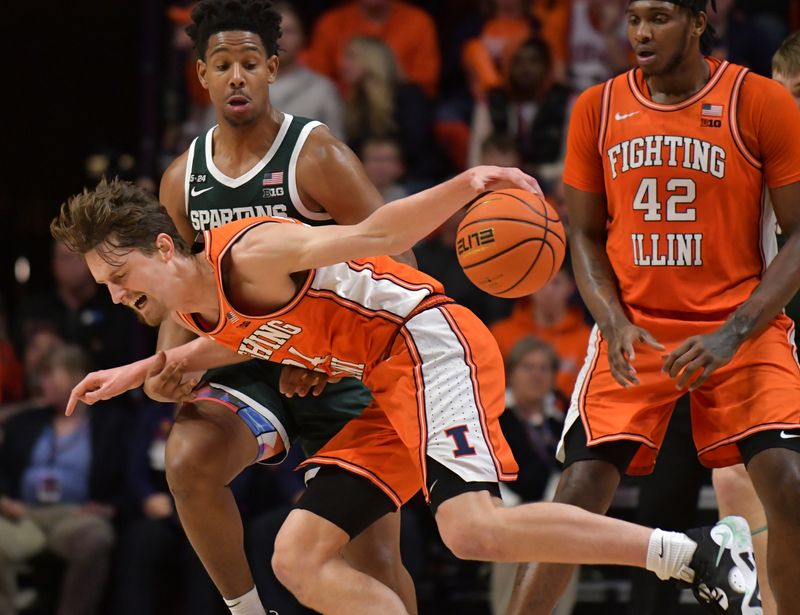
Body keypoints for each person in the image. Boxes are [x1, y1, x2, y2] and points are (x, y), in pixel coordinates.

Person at [54, 172, 760, 615]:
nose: (115, 294)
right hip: (382, 384)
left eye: (121, 274)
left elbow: (376, 233)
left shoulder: (249, 252)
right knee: (297, 555)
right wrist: (143, 369)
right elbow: (242, 334)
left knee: (470, 527)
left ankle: (697, 554)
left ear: (165, 247)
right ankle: (697, 553)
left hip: (426, 344)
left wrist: (469, 184)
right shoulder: (210, 301)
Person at [506, 2, 800, 614]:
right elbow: (583, 233)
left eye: (660, 17)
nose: (640, 31)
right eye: (634, 17)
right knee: (578, 492)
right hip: (640, 329)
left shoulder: (759, 101)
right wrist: (610, 319)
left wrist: (735, 332)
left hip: (741, 327)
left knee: (789, 488)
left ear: (697, 21)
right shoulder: (598, 106)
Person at [150, 1, 420, 613]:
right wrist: (170, 362)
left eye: (250, 63)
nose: (237, 76)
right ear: (202, 76)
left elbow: (398, 261)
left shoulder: (315, 154)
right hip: (246, 362)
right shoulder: (182, 179)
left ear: (273, 69)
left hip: (343, 365)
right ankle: (246, 610)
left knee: (374, 560)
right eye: (222, 65)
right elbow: (178, 289)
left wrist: (327, 350)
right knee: (187, 460)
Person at [0, 345, 130, 615]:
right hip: (22, 514)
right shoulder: (24, 422)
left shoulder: (108, 425)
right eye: (41, 375)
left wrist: (110, 507)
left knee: (96, 536)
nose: (41, 383)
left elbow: (125, 478)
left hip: (73, 516)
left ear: (76, 377)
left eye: (50, 375)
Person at [490, 263, 591, 401]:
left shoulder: (587, 340)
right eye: (541, 282)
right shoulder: (500, 334)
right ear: (529, 286)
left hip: (568, 417)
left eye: (556, 283)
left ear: (570, 287)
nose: (548, 290)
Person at [303, 0, 440, 97]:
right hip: (343, 110)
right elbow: (317, 83)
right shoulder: (331, 23)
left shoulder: (418, 22)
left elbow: (424, 86)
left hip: (399, 113)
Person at [266, 2, 345, 139]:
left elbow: (337, 147)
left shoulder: (323, 89)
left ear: (302, 38)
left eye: (289, 31)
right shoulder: (241, 85)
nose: (280, 38)